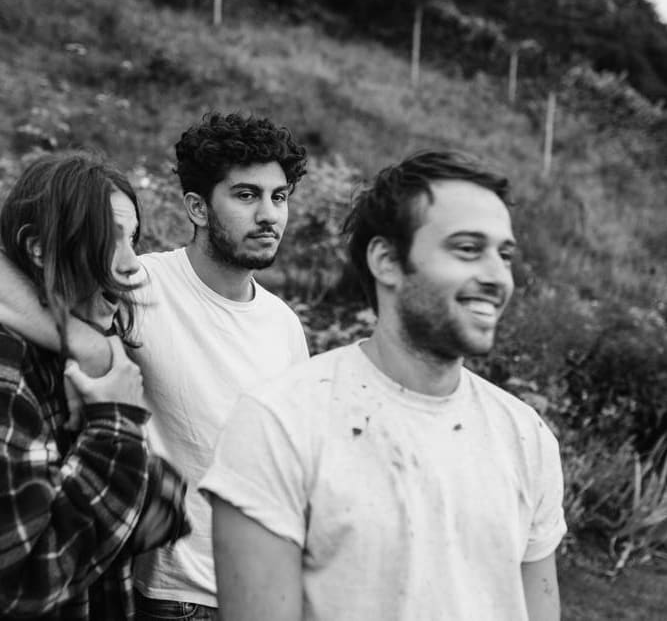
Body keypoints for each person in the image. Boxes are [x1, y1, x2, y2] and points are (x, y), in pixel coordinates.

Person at [199, 150, 567, 621]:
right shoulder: (280, 424)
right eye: (467, 249)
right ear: (387, 260)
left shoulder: (525, 435)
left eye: (505, 254)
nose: (498, 276)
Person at [0, 112, 310, 620]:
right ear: (197, 207)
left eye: (279, 197)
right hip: (174, 594)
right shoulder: (138, 283)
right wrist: (89, 345)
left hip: (260, 591)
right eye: (246, 195)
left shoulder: (285, 324)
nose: (269, 215)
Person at [0, 152, 189, 620]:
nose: (132, 265)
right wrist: (115, 424)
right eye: (109, 238)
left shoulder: (74, 356)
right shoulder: (8, 369)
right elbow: (22, 585)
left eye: (133, 239)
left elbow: (157, 513)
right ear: (38, 249)